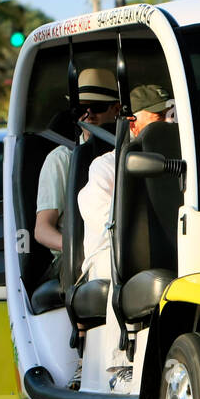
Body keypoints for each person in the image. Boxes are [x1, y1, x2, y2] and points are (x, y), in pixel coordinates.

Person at [78, 83, 173, 283]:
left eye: (171, 116)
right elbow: (111, 230)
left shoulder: (181, 163)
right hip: (110, 256)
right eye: (159, 117)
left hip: (167, 249)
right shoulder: (106, 167)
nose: (169, 124)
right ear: (132, 124)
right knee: (128, 265)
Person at [34, 68, 120, 272]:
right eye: (81, 109)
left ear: (116, 109)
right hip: (72, 261)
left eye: (96, 107)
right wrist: (78, 249)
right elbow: (42, 229)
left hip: (119, 253)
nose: (88, 115)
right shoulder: (61, 159)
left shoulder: (127, 154)